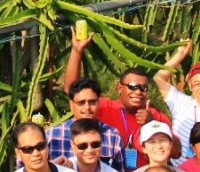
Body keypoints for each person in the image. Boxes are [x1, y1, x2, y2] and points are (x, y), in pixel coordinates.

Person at [65, 27, 170, 164]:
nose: (138, 92)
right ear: (120, 88)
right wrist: (77, 51)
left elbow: (176, 152)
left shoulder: (156, 116)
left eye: (143, 88)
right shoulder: (104, 107)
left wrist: (152, 124)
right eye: (132, 86)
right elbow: (73, 91)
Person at [47, 78, 126, 171]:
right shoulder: (53, 135)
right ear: (71, 105)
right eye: (81, 102)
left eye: (92, 102)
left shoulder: (112, 136)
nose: (87, 107)